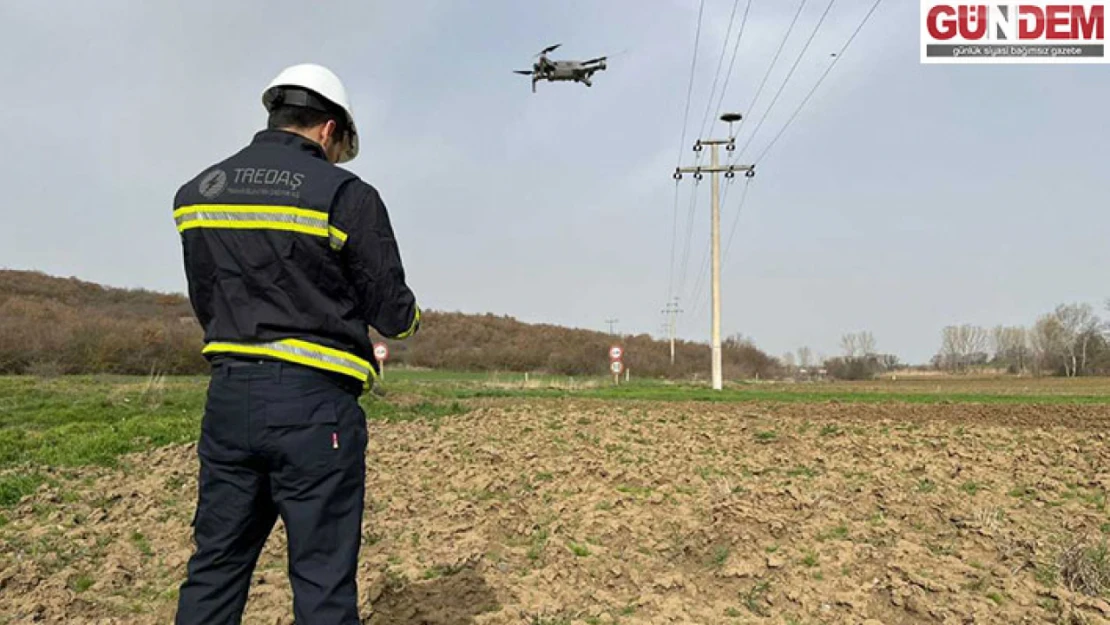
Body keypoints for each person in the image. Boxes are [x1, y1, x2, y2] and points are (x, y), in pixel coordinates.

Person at [172, 63, 420, 624]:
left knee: (214, 568)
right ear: (329, 129)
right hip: (315, 412)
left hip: (230, 400)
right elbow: (392, 312)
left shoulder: (198, 193)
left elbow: (206, 297)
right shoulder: (346, 194)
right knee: (322, 580)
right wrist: (410, 322)